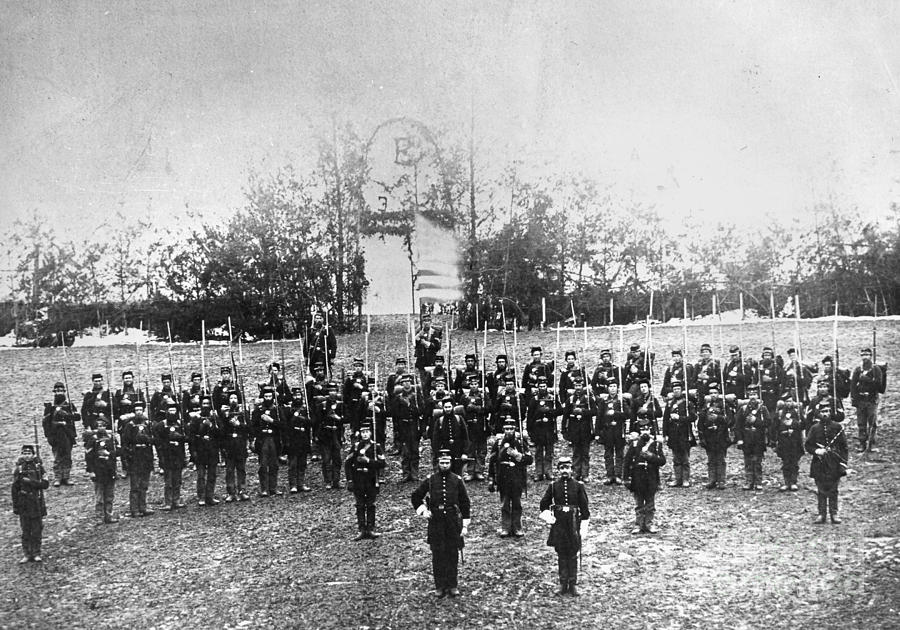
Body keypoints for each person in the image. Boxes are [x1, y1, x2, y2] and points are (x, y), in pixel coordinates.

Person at [411, 449, 471, 598]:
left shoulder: (457, 480)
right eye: (442, 463)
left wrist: (464, 525)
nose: (444, 465)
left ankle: (452, 585)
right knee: (438, 554)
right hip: (436, 522)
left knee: (452, 553)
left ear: (451, 464)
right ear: (437, 463)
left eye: (447, 463)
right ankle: (440, 586)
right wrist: (424, 511)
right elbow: (416, 497)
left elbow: (465, 503)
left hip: (452, 521)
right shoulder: (431, 480)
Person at [539, 456, 590, 596]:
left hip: (573, 523)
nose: (565, 471)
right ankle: (563, 584)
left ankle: (573, 584)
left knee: (573, 553)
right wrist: (550, 518)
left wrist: (583, 526)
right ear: (558, 470)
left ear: (572, 470)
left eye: (567, 468)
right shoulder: (554, 486)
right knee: (561, 553)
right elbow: (543, 504)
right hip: (560, 523)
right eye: (562, 468)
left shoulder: (579, 486)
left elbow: (585, 508)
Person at [487, 418, 533, 538]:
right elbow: (492, 462)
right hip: (503, 478)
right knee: (505, 504)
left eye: (511, 429)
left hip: (517, 477)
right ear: (503, 429)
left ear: (515, 429)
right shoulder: (498, 443)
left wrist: (519, 456)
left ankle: (517, 527)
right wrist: (491, 479)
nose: (509, 431)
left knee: (517, 503)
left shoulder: (521, 443)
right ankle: (505, 527)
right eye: (506, 429)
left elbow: (529, 460)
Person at [805, 400, 849, 524]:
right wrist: (817, 451)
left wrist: (843, 463)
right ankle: (821, 514)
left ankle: (834, 513)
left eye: (828, 411)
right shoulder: (814, 428)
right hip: (819, 463)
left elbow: (844, 447)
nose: (826, 414)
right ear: (818, 413)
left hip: (834, 462)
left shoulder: (837, 427)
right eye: (823, 411)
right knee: (821, 489)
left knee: (833, 489)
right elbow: (808, 445)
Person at [623, 418, 666, 534]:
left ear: (651, 429)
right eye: (642, 429)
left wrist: (651, 457)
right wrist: (626, 478)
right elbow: (626, 462)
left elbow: (662, 461)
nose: (645, 431)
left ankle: (649, 524)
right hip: (638, 477)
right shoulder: (635, 443)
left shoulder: (656, 444)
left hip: (651, 477)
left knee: (650, 504)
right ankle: (638, 524)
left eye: (647, 429)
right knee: (639, 504)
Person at [344, 422, 387, 540]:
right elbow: (347, 464)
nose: (365, 434)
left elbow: (382, 464)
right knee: (360, 505)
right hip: (358, 479)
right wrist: (350, 480)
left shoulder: (375, 447)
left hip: (371, 479)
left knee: (371, 504)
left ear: (371, 433)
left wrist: (368, 461)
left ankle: (371, 528)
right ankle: (362, 529)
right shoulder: (356, 447)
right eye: (363, 432)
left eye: (367, 432)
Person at [11, 444, 49, 563]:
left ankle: (36, 552)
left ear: (33, 455)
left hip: (36, 502)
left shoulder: (39, 468)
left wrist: (31, 482)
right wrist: (16, 505)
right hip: (24, 503)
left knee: (37, 529)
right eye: (24, 453)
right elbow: (14, 488)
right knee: (26, 530)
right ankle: (27, 553)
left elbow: (45, 484)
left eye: (29, 453)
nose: (27, 456)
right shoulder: (19, 469)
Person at [120, 400, 155, 517]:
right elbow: (125, 443)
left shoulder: (147, 424)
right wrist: (128, 457)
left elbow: (153, 440)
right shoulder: (129, 425)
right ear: (134, 412)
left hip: (145, 456)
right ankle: (134, 509)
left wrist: (146, 438)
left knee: (144, 484)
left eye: (140, 410)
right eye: (136, 410)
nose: (139, 412)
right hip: (135, 457)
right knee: (135, 485)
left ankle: (143, 507)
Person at [734, 384, 771, 491]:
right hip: (746, 438)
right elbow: (738, 425)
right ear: (747, 396)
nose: (753, 397)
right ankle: (749, 481)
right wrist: (739, 439)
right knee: (748, 461)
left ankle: (758, 482)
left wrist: (756, 421)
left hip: (758, 438)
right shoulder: (743, 409)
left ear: (758, 395)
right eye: (750, 394)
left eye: (754, 394)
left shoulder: (763, 409)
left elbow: (768, 423)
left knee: (757, 461)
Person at [42, 381, 79, 486]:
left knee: (67, 456)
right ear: (54, 392)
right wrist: (48, 435)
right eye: (57, 391)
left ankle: (66, 477)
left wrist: (67, 414)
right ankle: (58, 477)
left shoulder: (70, 405)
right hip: (55, 435)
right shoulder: (50, 406)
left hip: (68, 434)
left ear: (64, 391)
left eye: (61, 391)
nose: (59, 393)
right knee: (57, 457)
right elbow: (45, 422)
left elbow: (77, 417)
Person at [697, 383, 732, 490]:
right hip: (709, 437)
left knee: (720, 459)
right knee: (711, 459)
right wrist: (702, 437)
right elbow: (700, 422)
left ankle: (721, 480)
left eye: (715, 393)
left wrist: (718, 417)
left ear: (719, 394)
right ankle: (712, 479)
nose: (713, 395)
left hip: (721, 436)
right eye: (711, 393)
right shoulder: (705, 406)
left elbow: (730, 421)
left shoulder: (724, 406)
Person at [85, 416, 120, 523]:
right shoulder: (93, 440)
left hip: (109, 470)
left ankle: (108, 515)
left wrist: (109, 454)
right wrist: (90, 471)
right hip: (98, 471)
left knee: (109, 496)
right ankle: (99, 517)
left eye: (103, 426)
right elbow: (88, 457)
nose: (101, 428)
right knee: (99, 497)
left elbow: (119, 452)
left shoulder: (111, 439)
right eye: (99, 426)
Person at [390, 374, 424, 483]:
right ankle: (406, 473)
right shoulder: (398, 397)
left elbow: (422, 410)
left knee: (415, 450)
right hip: (403, 426)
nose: (406, 384)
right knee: (405, 451)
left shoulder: (416, 396)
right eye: (403, 382)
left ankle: (414, 473)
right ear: (401, 384)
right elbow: (394, 414)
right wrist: (396, 430)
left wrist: (412, 406)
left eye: (408, 381)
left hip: (414, 425)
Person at [662, 381, 696, 488]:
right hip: (673, 434)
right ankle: (677, 479)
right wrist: (665, 434)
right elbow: (665, 420)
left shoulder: (687, 403)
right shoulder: (669, 404)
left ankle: (686, 479)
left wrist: (680, 418)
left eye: (678, 389)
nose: (676, 391)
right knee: (676, 458)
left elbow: (693, 417)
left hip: (684, 433)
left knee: (685, 458)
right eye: (674, 389)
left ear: (681, 390)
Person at [595, 380, 630, 485]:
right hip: (608, 431)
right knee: (608, 454)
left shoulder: (621, 400)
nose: (613, 388)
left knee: (619, 454)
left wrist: (616, 413)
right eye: (611, 386)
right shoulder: (604, 401)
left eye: (615, 386)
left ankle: (618, 475)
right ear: (607, 388)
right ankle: (610, 475)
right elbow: (599, 417)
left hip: (619, 430)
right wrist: (597, 433)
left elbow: (628, 414)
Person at [850, 347, 885, 452]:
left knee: (872, 422)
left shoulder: (876, 369)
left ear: (871, 356)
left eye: (867, 355)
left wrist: (868, 379)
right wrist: (854, 399)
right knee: (861, 423)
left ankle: (871, 443)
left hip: (871, 399)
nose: (865, 357)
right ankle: (862, 443)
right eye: (863, 355)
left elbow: (879, 386)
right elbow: (853, 386)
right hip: (861, 400)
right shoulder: (858, 369)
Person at [154, 404, 187, 510]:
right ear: (167, 412)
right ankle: (168, 502)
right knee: (168, 481)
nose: (172, 412)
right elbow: (157, 442)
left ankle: (176, 500)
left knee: (177, 480)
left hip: (178, 455)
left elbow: (187, 438)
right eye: (170, 410)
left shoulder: (180, 424)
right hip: (167, 455)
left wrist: (180, 437)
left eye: (174, 410)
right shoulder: (161, 425)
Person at [252, 386, 283, 496]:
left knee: (274, 464)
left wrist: (272, 421)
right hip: (263, 439)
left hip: (274, 439)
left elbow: (283, 425)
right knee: (263, 465)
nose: (268, 398)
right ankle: (264, 488)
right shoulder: (258, 411)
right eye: (266, 396)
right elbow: (253, 426)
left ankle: (273, 487)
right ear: (263, 397)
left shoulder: (277, 410)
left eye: (270, 396)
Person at [562, 378, 595, 482]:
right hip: (574, 430)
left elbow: (595, 411)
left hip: (585, 430)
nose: (578, 388)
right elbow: (565, 416)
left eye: (580, 385)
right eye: (576, 386)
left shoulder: (588, 399)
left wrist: (583, 411)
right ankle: (576, 473)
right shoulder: (570, 399)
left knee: (585, 453)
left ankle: (585, 474)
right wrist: (564, 430)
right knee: (576, 452)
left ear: (583, 386)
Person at [219, 392, 250, 502]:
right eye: (231, 398)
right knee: (229, 470)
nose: (233, 400)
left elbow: (248, 428)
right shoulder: (224, 413)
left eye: (235, 398)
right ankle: (231, 492)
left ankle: (242, 490)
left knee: (241, 468)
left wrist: (239, 425)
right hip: (229, 444)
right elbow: (222, 430)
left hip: (240, 443)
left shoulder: (243, 412)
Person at [527, 376, 559, 481]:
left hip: (549, 429)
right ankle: (538, 472)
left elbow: (560, 411)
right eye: (540, 386)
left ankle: (548, 472)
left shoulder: (552, 398)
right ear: (537, 387)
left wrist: (550, 410)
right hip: (538, 429)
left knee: (549, 452)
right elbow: (529, 417)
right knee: (538, 452)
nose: (542, 388)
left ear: (547, 387)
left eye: (544, 386)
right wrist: (530, 431)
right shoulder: (534, 400)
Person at [191, 395, 220, 506]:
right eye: (204, 404)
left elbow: (220, 433)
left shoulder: (215, 418)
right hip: (200, 449)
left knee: (212, 474)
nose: (206, 406)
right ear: (201, 405)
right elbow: (192, 436)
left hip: (212, 449)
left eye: (208, 404)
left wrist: (212, 425)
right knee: (201, 475)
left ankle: (210, 496)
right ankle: (201, 496)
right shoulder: (196, 419)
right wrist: (193, 451)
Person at [284, 386, 313, 493]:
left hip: (303, 438)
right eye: (295, 395)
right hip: (293, 439)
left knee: (302, 463)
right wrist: (295, 416)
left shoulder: (306, 409)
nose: (297, 397)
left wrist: (304, 419)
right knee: (293, 464)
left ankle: (301, 483)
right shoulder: (288, 410)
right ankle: (293, 485)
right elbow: (286, 425)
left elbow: (312, 423)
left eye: (299, 395)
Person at [771, 398, 804, 492]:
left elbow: (804, 425)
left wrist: (795, 423)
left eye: (790, 401)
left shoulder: (797, 412)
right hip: (784, 442)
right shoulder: (780, 413)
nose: (788, 403)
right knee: (786, 462)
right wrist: (773, 441)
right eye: (786, 401)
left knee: (794, 462)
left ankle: (793, 482)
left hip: (795, 442)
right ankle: (786, 482)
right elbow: (774, 428)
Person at [431, 399, 469, 475]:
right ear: (443, 408)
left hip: (458, 449)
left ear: (453, 407)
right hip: (445, 450)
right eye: (446, 407)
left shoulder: (459, 419)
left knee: (458, 472)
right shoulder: (439, 421)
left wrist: (465, 452)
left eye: (449, 407)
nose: (448, 409)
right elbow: (435, 439)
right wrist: (437, 452)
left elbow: (465, 436)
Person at [305, 311, 336, 376]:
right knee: (313, 370)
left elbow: (333, 344)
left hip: (324, 354)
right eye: (317, 318)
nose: (318, 320)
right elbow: (306, 344)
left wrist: (332, 357)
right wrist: (305, 356)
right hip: (313, 355)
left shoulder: (327, 329)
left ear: (323, 319)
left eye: (320, 318)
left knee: (325, 371)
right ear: (314, 319)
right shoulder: (311, 330)